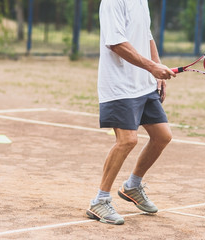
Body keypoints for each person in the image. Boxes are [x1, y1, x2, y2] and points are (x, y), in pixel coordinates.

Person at [85, 0, 176, 225]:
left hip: (143, 84)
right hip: (119, 86)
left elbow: (146, 35)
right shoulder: (112, 2)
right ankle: (100, 201)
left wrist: (156, 67)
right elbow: (116, 43)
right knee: (127, 140)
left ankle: (132, 186)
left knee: (162, 136)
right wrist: (151, 67)